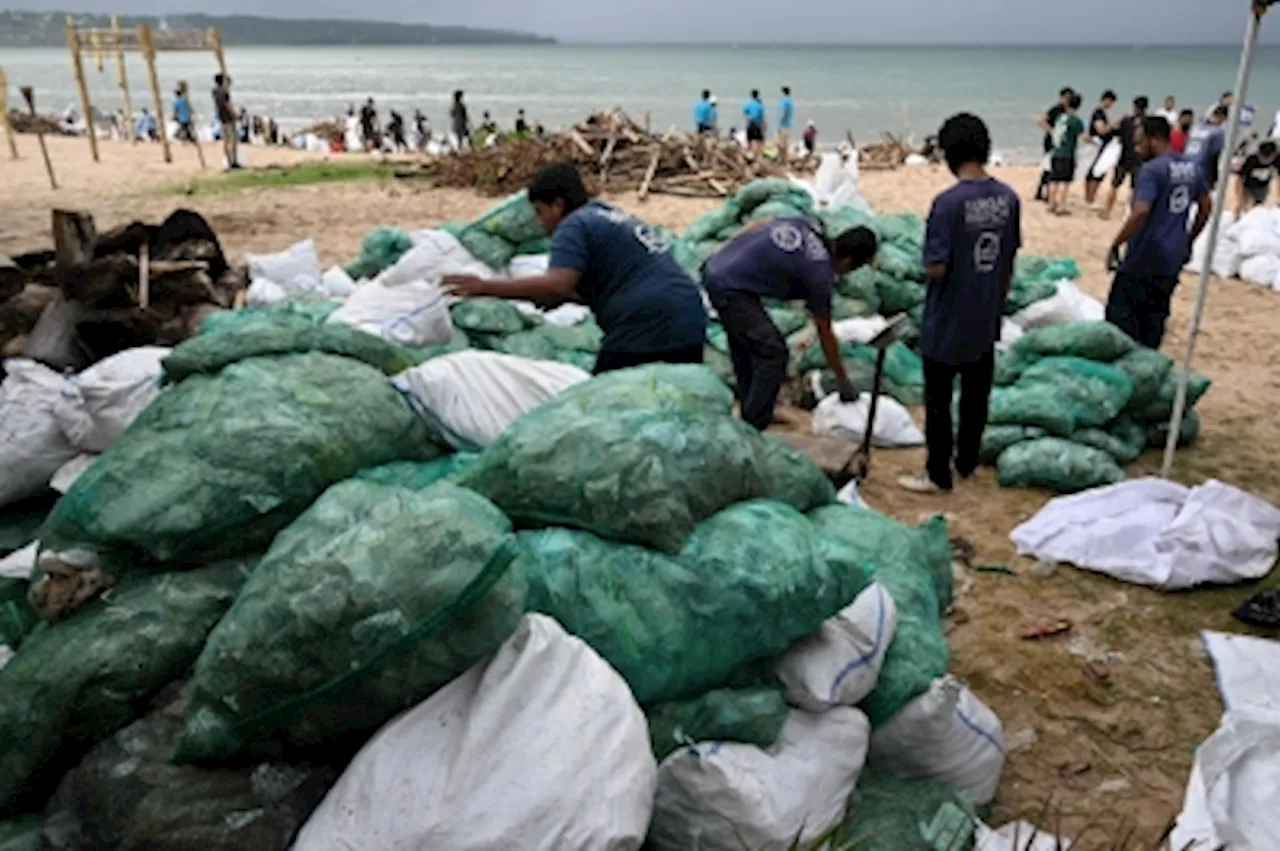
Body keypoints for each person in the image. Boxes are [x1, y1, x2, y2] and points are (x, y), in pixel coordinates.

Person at [443, 162, 707, 373]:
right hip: (689, 315)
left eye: (540, 212)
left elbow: (558, 284)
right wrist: (562, 297)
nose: (541, 223)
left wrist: (484, 287)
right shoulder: (605, 214)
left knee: (605, 404)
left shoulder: (573, 225)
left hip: (647, 321)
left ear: (558, 205)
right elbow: (613, 280)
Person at [900, 113, 1021, 495]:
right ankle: (966, 462)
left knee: (938, 401)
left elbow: (935, 267)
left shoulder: (948, 204)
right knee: (975, 398)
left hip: (947, 317)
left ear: (950, 152)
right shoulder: (1008, 199)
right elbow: (1009, 259)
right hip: (984, 315)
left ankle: (938, 474)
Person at [703, 221, 877, 431]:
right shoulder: (820, 276)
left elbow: (763, 222)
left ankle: (752, 407)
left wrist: (727, 250)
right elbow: (825, 333)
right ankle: (753, 425)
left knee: (745, 342)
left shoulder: (808, 227)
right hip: (730, 287)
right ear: (848, 261)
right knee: (773, 353)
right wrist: (843, 380)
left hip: (719, 268)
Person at [1105, 116, 1212, 349]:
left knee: (1121, 317)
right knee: (1155, 318)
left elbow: (1141, 210)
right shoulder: (1192, 168)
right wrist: (1189, 238)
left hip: (1145, 253)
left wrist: (1116, 242)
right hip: (1171, 256)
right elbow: (1206, 205)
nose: (1137, 148)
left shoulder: (1152, 170)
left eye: (1140, 142)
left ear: (1154, 139)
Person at [1102, 96, 1149, 220]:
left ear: (1134, 107)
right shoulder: (1148, 123)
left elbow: (1115, 135)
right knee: (1134, 188)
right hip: (1139, 158)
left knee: (1115, 185)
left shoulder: (1126, 120)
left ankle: (1107, 211)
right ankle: (1128, 213)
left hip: (1124, 156)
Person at [1048, 92, 1084, 215]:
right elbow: (1082, 136)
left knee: (1054, 179)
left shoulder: (1060, 118)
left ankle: (1051, 204)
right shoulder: (1076, 121)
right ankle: (1061, 207)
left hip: (1055, 152)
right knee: (1064, 180)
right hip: (1067, 153)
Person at [1036, 87, 1074, 202]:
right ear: (1061, 97)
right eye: (1066, 98)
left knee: (1052, 166)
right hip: (1051, 141)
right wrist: (1052, 132)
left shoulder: (1067, 111)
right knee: (1049, 166)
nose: (1067, 101)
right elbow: (1041, 120)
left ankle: (1044, 191)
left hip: (1061, 142)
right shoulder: (1056, 109)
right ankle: (1042, 191)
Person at [1084, 90, 1117, 204]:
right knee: (1096, 173)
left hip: (1097, 144)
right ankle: (1090, 198)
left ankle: (1089, 198)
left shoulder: (1099, 113)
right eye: (1111, 102)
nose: (1111, 105)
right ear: (1106, 100)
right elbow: (1101, 130)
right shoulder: (1098, 113)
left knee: (1093, 173)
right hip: (1097, 145)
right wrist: (1112, 125)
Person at [1185, 106, 1229, 190]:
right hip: (1202, 171)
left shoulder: (1194, 127)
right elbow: (1215, 156)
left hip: (1186, 167)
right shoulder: (1217, 132)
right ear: (1223, 117)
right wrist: (1215, 179)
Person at [1237, 140, 1278, 215]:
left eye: (1269, 157)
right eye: (1263, 156)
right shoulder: (1251, 160)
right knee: (1250, 205)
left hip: (1266, 188)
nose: (1266, 160)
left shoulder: (1278, 161)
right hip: (1249, 188)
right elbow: (1241, 178)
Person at [212, 73, 240, 169]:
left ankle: (227, 160)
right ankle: (233, 161)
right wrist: (235, 115)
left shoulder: (215, 92)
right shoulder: (224, 92)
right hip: (228, 118)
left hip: (221, 117)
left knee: (226, 140)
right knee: (232, 140)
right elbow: (228, 105)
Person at [743, 89, 766, 154]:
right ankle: (758, 153)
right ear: (758, 95)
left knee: (749, 140)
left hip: (750, 124)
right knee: (759, 140)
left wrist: (748, 120)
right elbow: (762, 116)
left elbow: (745, 114)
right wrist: (764, 125)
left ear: (751, 95)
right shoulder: (760, 105)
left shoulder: (748, 104)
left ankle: (749, 152)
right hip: (757, 125)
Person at [777, 86, 795, 163]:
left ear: (783, 92)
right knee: (785, 143)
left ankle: (782, 160)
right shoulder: (790, 101)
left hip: (783, 125)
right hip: (788, 125)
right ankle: (784, 159)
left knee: (781, 144)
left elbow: (784, 112)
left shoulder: (784, 101)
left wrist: (780, 122)